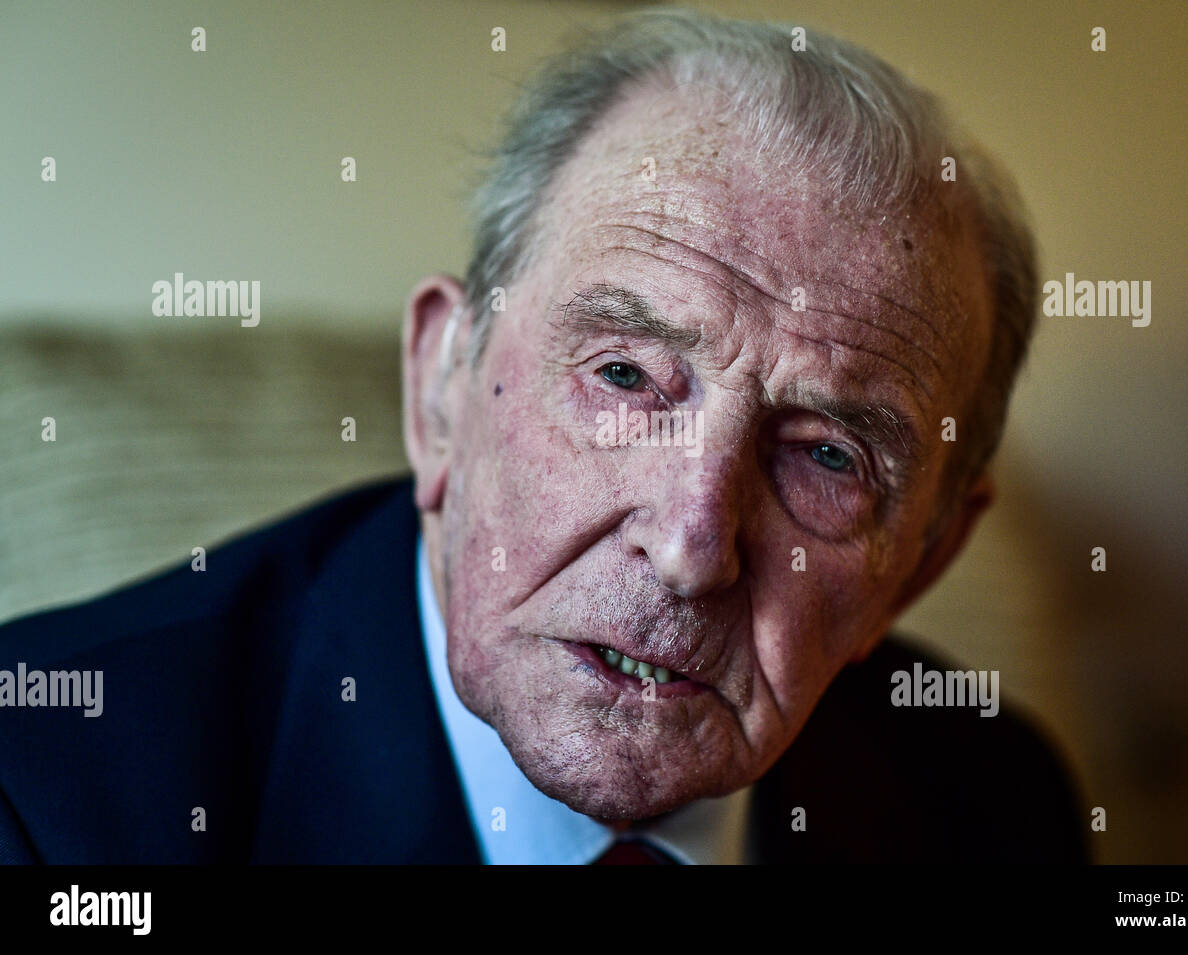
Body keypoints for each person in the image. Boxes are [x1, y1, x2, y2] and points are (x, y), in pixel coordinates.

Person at [0, 9, 1086, 864]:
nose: (692, 547)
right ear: (440, 387)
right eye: (623, 374)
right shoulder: (48, 789)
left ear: (928, 556)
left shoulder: (993, 804)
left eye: (826, 455)